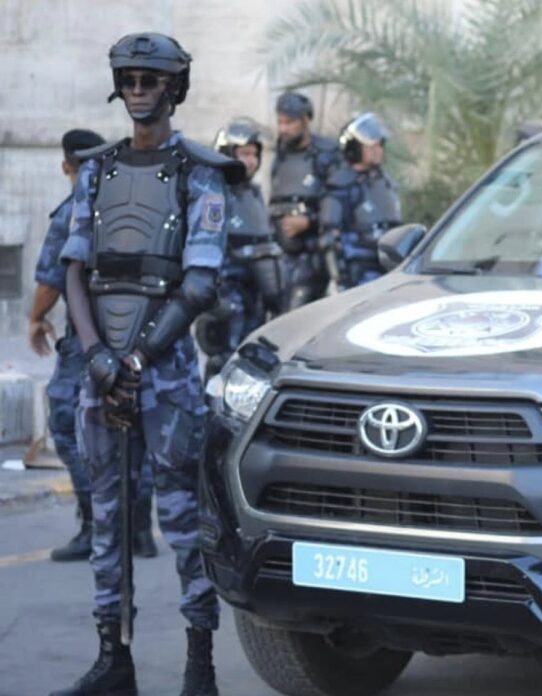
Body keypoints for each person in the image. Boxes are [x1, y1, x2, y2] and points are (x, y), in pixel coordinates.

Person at [53, 32, 242, 696]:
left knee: (183, 520)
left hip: (165, 377)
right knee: (107, 516)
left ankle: (199, 666)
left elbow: (200, 283)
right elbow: (73, 271)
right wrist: (97, 358)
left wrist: (135, 357)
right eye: (128, 78)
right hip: (101, 369)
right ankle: (114, 659)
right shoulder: (97, 170)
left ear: (174, 87)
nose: (137, 89)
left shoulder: (201, 173)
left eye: (150, 79)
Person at [30, 129, 160, 562]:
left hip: (88, 341)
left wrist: (35, 319)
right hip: (138, 337)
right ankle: (138, 529)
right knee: (133, 426)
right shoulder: (135, 204)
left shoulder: (75, 211)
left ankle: (95, 526)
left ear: (66, 166)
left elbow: (52, 280)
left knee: (67, 425)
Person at [195, 118, 283, 380]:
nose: (251, 161)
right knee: (223, 365)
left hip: (254, 296)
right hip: (227, 298)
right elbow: (205, 249)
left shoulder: (253, 194)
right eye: (244, 154)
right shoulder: (214, 195)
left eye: (254, 154)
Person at [270, 91, 342, 309]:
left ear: (305, 120)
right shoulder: (281, 154)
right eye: (280, 122)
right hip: (282, 253)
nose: (283, 129)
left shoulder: (327, 154)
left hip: (313, 256)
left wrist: (309, 220)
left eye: (289, 122)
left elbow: (340, 203)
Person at [322, 112, 403, 289]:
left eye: (380, 145)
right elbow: (329, 238)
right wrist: (340, 279)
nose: (378, 151)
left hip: (389, 266)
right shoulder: (342, 185)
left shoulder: (384, 181)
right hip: (359, 271)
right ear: (355, 149)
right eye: (371, 147)